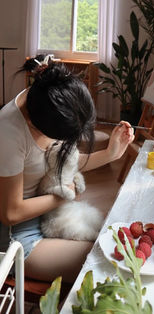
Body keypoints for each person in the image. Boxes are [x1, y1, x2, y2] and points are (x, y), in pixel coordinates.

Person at [0, 55, 134, 283]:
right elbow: (11, 213)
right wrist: (62, 197)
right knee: (110, 264)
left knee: (120, 245)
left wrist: (111, 153)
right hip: (19, 239)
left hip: (51, 215)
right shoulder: (9, 133)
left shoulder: (49, 103)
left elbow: (60, 163)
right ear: (35, 125)